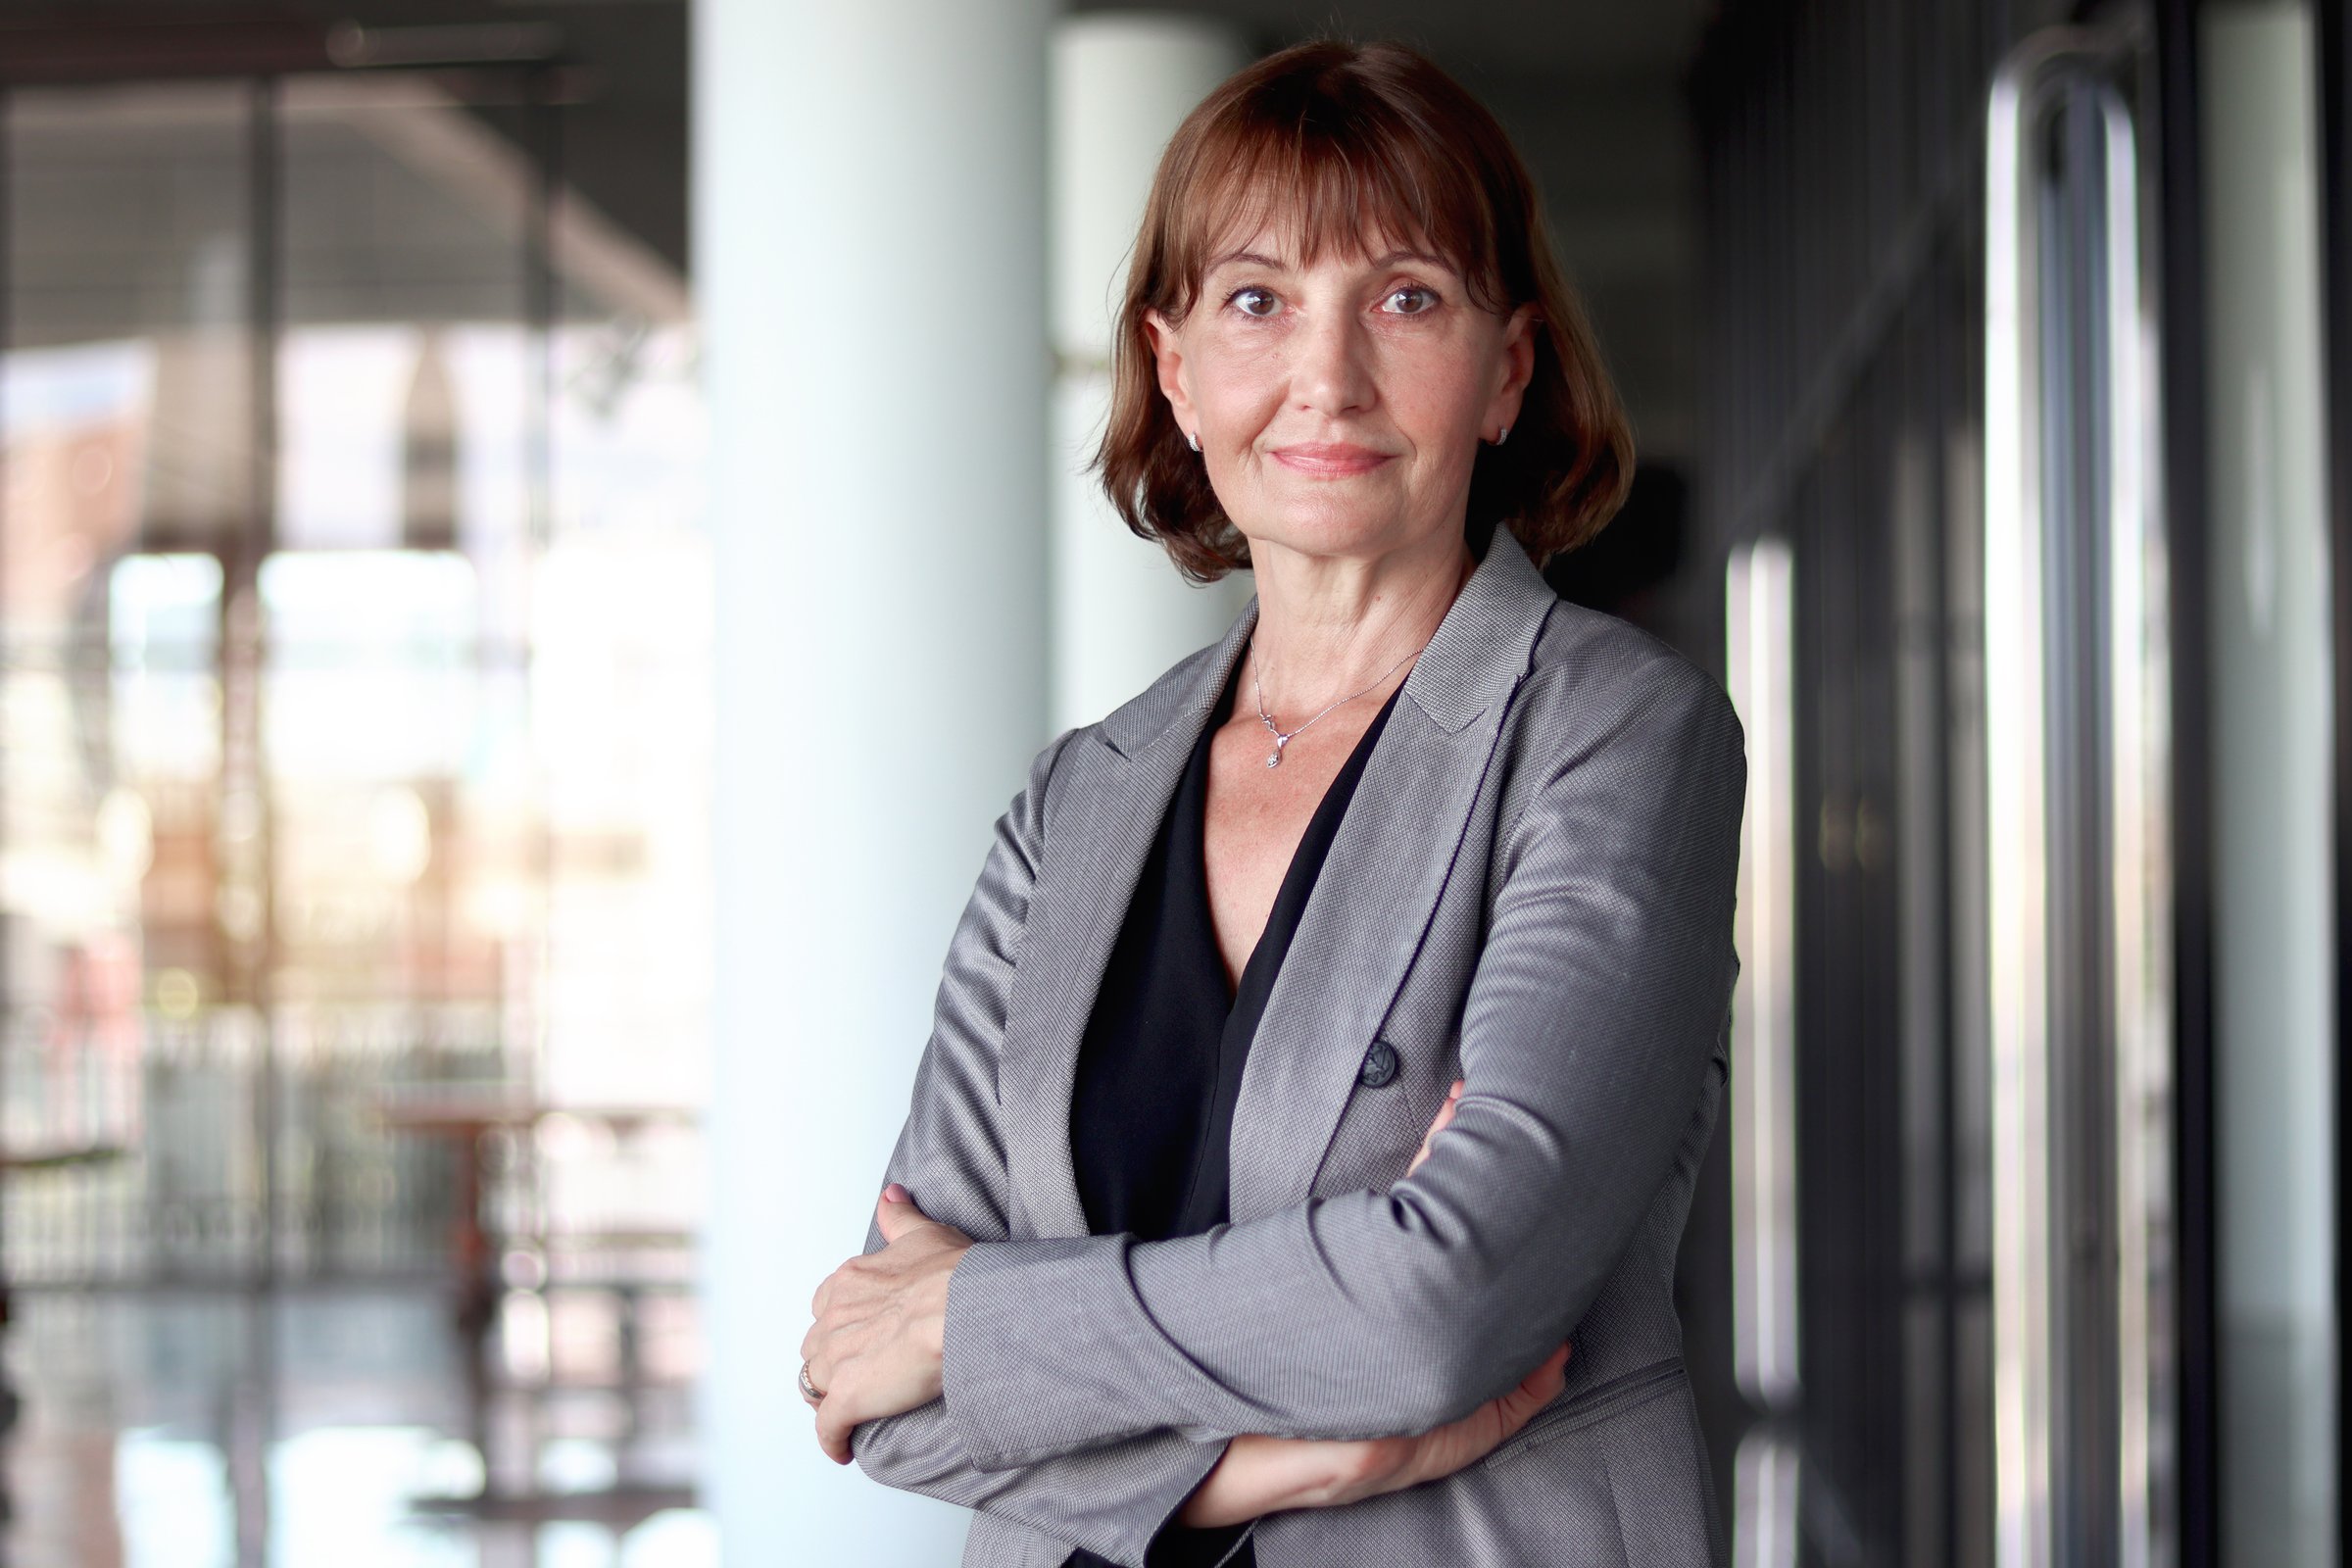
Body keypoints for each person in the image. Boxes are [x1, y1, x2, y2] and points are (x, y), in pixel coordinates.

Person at [798, 37, 1745, 1568]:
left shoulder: (1619, 737)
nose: (1329, 377)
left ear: (1508, 370)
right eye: (1257, 301)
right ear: (1176, 373)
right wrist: (1266, 1470)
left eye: (1408, 297)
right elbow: (880, 1390)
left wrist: (978, 1316)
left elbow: (1446, 1300)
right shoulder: (1078, 801)